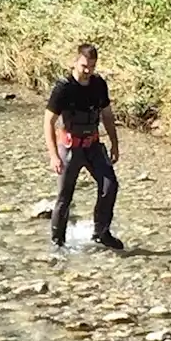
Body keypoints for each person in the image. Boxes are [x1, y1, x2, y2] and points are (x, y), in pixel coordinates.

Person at [43, 42, 123, 251]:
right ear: (75, 62)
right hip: (70, 147)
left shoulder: (99, 84)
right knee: (64, 196)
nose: (88, 71)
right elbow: (48, 122)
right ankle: (58, 242)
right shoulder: (63, 88)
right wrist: (54, 156)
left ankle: (101, 233)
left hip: (93, 145)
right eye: (84, 66)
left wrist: (114, 143)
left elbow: (107, 115)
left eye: (92, 67)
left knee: (110, 185)